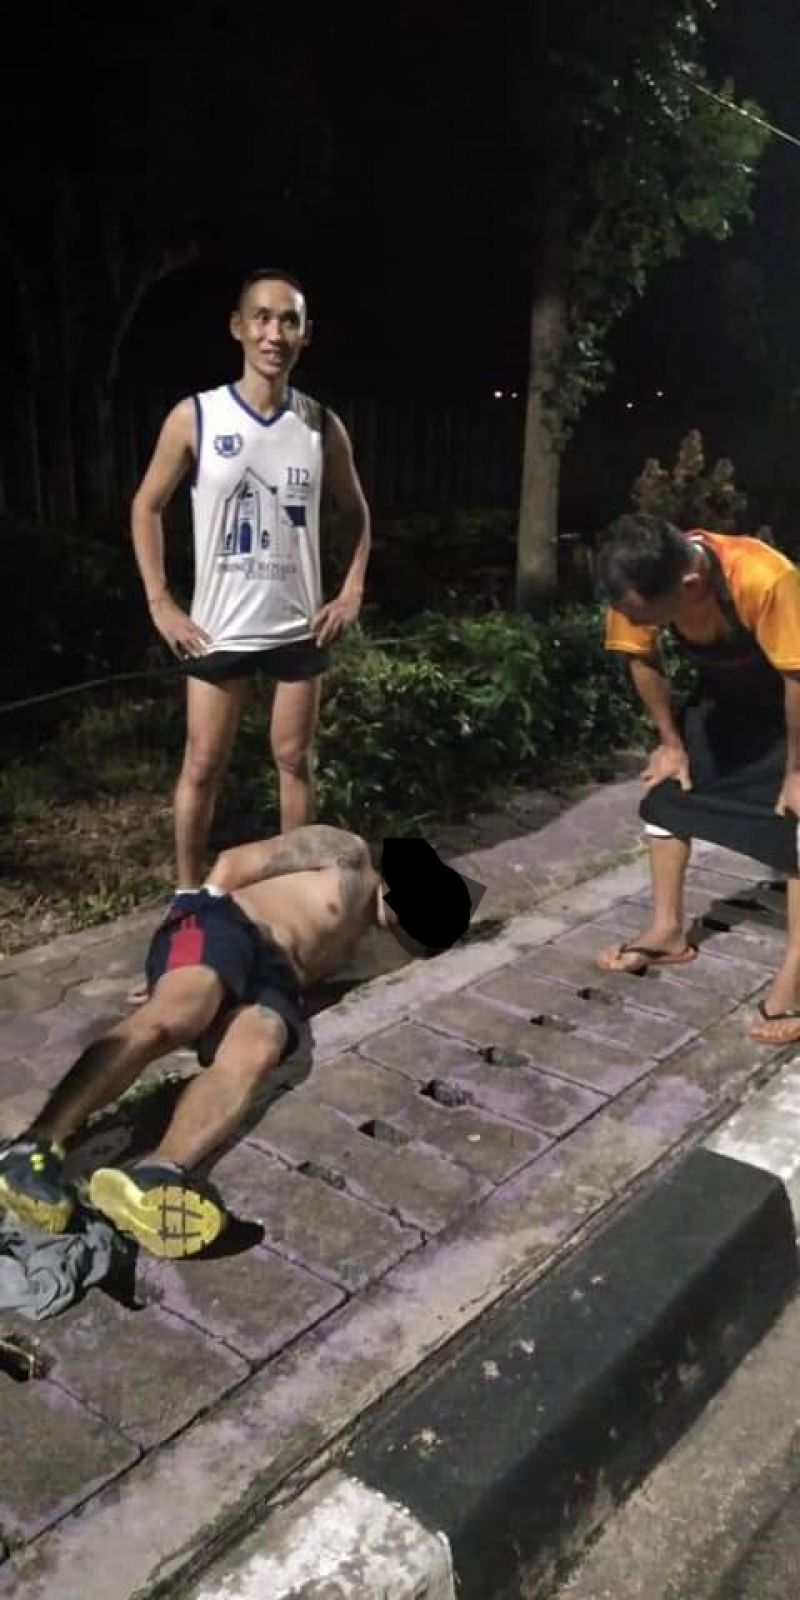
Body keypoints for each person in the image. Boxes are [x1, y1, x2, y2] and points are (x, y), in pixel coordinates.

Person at [0, 829, 474, 1257]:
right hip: (228, 926)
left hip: (275, 982)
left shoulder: (363, 942)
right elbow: (232, 863)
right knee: (177, 1015)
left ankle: (160, 1175)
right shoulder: (347, 854)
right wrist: (182, 935)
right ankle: (32, 1149)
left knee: (259, 1049)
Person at [131, 267, 371, 889]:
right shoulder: (196, 417)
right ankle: (189, 897)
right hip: (218, 629)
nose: (274, 334)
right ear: (238, 327)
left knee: (294, 760)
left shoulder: (321, 426)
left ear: (305, 334)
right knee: (203, 765)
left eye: (289, 321)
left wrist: (350, 591)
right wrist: (160, 602)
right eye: (262, 318)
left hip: (297, 627)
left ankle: (290, 894)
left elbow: (358, 514)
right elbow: (146, 506)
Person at [593, 513, 800, 1045]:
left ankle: (796, 977)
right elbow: (642, 658)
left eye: (646, 615)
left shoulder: (764, 577)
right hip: (730, 699)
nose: (635, 622)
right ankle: (667, 931)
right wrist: (671, 742)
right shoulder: (636, 579)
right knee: (668, 792)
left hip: (795, 696)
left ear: (689, 585)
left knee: (798, 821)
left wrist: (796, 772)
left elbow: (796, 677)